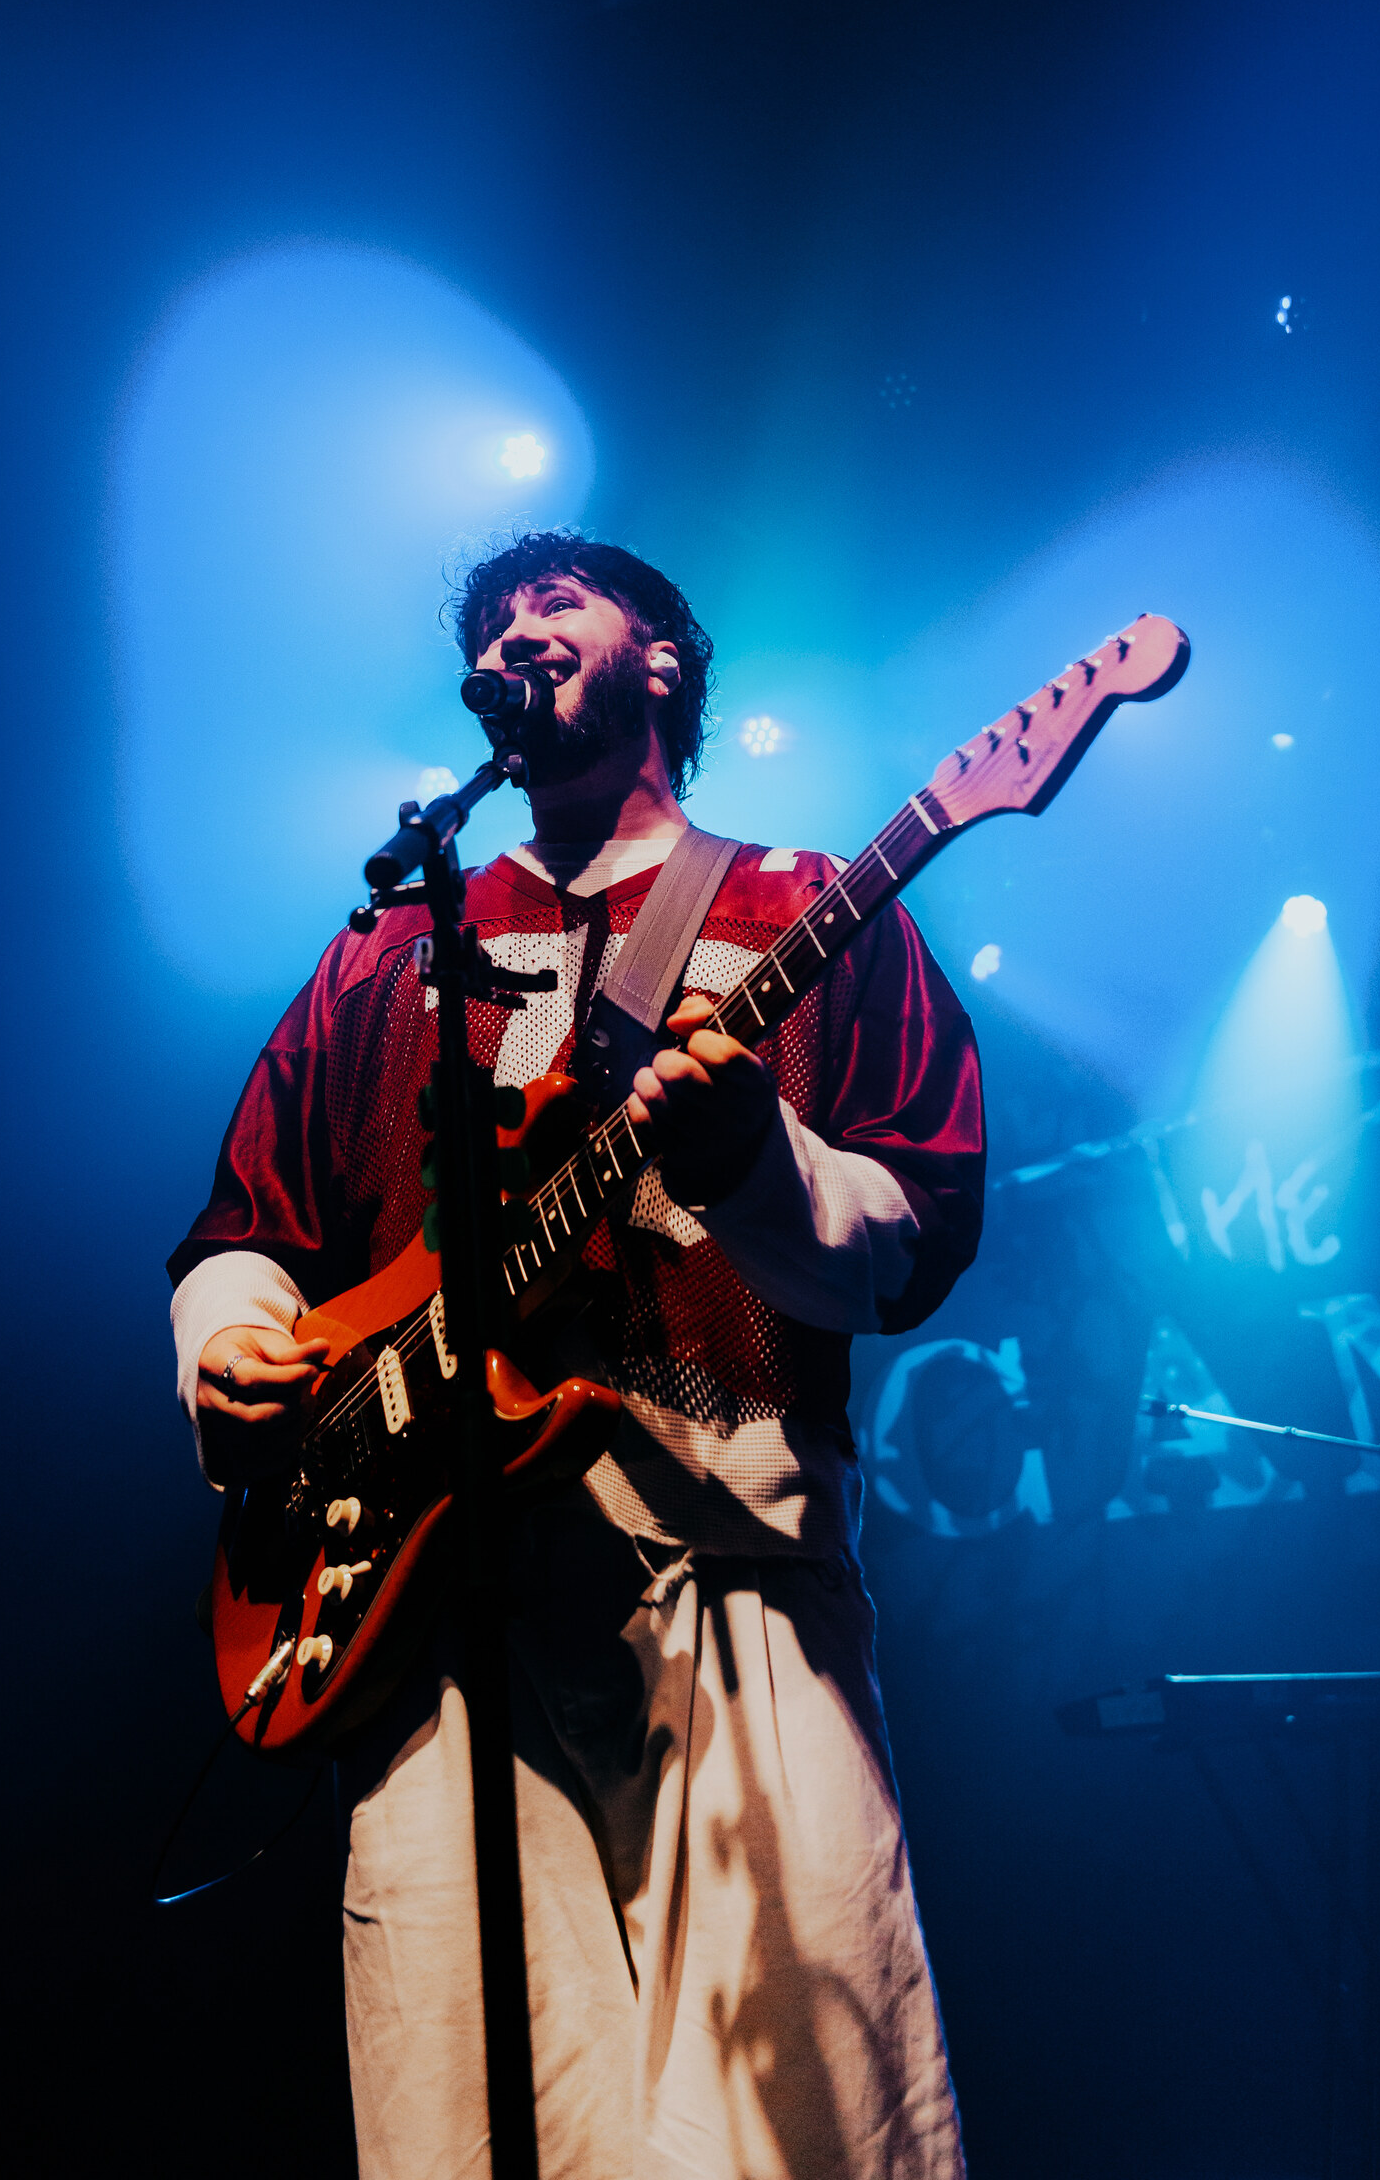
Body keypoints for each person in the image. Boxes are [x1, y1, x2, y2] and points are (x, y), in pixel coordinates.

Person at [168, 533, 985, 2180]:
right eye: (490, 624)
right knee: (469, 2118)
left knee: (797, 2117)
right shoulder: (385, 950)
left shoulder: (801, 906)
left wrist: (753, 1160)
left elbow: (917, 1231)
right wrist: (231, 1342)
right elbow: (252, 1221)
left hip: (728, 1562)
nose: (512, 634)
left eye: (555, 606)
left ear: (660, 661)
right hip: (433, 1599)